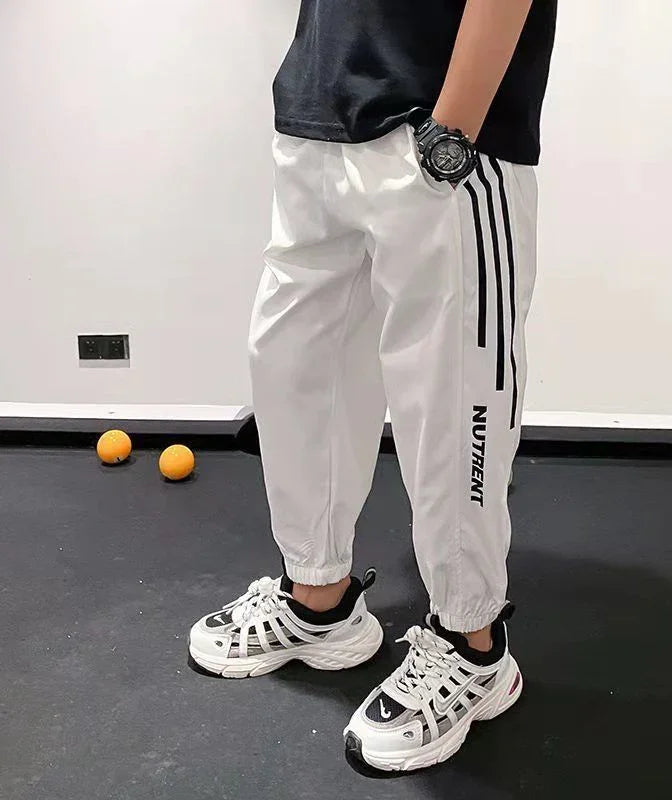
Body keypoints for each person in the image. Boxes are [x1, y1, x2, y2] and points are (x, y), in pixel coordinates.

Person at [189, 0, 557, 772]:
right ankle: (316, 598)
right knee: (294, 371)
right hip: (319, 114)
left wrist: (453, 130)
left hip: (440, 131)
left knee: (454, 398)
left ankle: (471, 644)